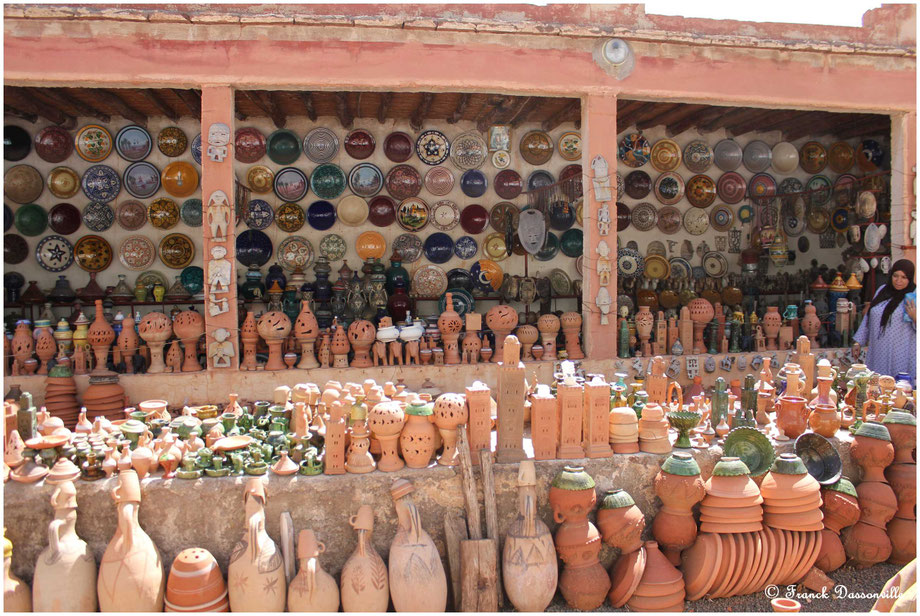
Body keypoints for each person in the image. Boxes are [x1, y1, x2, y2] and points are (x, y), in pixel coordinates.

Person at [852, 259, 916, 378]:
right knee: (876, 384)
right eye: (895, 276)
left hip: (901, 353)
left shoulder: (914, 295)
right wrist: (858, 342)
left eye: (904, 277)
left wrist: (915, 317)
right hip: (878, 350)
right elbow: (869, 317)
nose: (898, 281)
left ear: (910, 278)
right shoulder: (882, 290)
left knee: (897, 385)